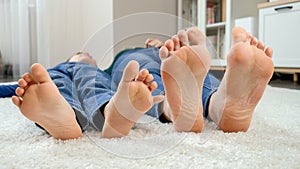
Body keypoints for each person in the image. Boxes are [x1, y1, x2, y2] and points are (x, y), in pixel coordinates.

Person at [11, 27, 274, 140]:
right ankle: (75, 114)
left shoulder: (119, 63)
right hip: (122, 67)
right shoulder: (104, 67)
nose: (87, 57)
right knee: (136, 73)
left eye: (88, 56)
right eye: (83, 56)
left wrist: (161, 48)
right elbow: (15, 88)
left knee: (153, 70)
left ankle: (215, 103)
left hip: (145, 60)